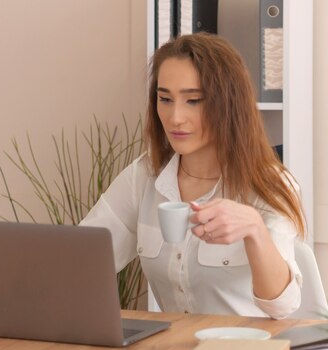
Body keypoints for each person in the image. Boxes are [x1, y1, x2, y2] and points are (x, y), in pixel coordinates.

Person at [80, 32, 306, 319]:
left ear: (228, 104)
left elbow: (283, 306)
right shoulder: (143, 176)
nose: (174, 117)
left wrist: (254, 229)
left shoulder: (270, 184)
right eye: (165, 98)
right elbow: (80, 261)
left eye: (193, 101)